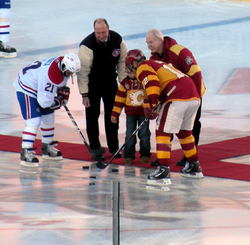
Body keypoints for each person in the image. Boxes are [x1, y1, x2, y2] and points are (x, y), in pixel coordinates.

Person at [125, 49, 204, 184]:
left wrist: (153, 103)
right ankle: (194, 165)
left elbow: (153, 83)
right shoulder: (157, 63)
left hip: (178, 95)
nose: (128, 70)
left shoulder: (142, 67)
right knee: (184, 132)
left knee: (162, 132)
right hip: (193, 95)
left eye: (128, 66)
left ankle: (163, 170)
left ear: (133, 63)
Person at [146, 28, 206, 167]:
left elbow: (196, 74)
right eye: (147, 43)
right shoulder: (153, 57)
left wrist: (196, 98)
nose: (148, 46)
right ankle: (164, 156)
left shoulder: (179, 51)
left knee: (191, 124)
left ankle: (189, 157)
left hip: (193, 94)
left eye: (151, 42)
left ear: (160, 40)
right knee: (167, 123)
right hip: (173, 97)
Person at [13, 53, 81, 167]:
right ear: (64, 66)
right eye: (69, 72)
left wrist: (61, 89)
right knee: (33, 121)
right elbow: (45, 103)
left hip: (38, 84)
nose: (70, 75)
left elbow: (54, 86)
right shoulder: (48, 76)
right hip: (26, 87)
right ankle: (26, 151)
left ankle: (47, 146)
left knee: (49, 117)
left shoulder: (60, 65)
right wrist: (59, 101)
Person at [77, 18, 127, 161]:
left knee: (113, 116)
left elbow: (123, 62)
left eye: (103, 32)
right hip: (93, 85)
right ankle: (96, 149)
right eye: (98, 33)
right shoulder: (87, 46)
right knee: (92, 118)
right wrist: (84, 94)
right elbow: (83, 72)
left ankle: (114, 147)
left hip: (110, 83)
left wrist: (123, 84)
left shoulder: (117, 39)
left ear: (108, 28)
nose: (101, 35)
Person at [111, 68, 151, 166]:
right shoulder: (125, 83)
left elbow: (152, 94)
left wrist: (152, 108)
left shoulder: (145, 81)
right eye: (127, 71)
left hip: (144, 113)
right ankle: (128, 156)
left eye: (131, 72)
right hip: (130, 114)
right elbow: (119, 99)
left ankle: (145, 154)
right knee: (130, 134)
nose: (129, 74)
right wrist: (115, 114)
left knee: (144, 134)